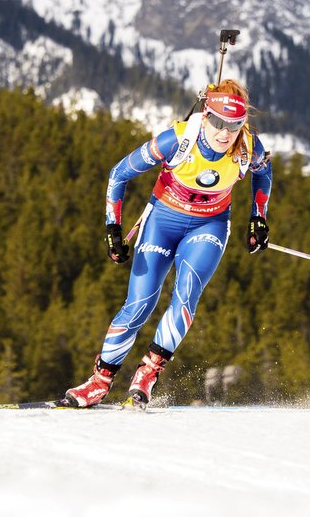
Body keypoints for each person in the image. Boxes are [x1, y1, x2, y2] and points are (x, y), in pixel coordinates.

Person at [64, 79, 273, 408]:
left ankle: (147, 373)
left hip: (210, 225)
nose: (224, 133)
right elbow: (119, 173)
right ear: (205, 115)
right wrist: (113, 228)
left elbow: (264, 172)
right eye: (218, 122)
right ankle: (98, 383)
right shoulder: (178, 139)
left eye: (234, 125)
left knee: (186, 296)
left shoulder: (247, 146)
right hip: (163, 222)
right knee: (138, 305)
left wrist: (258, 217)